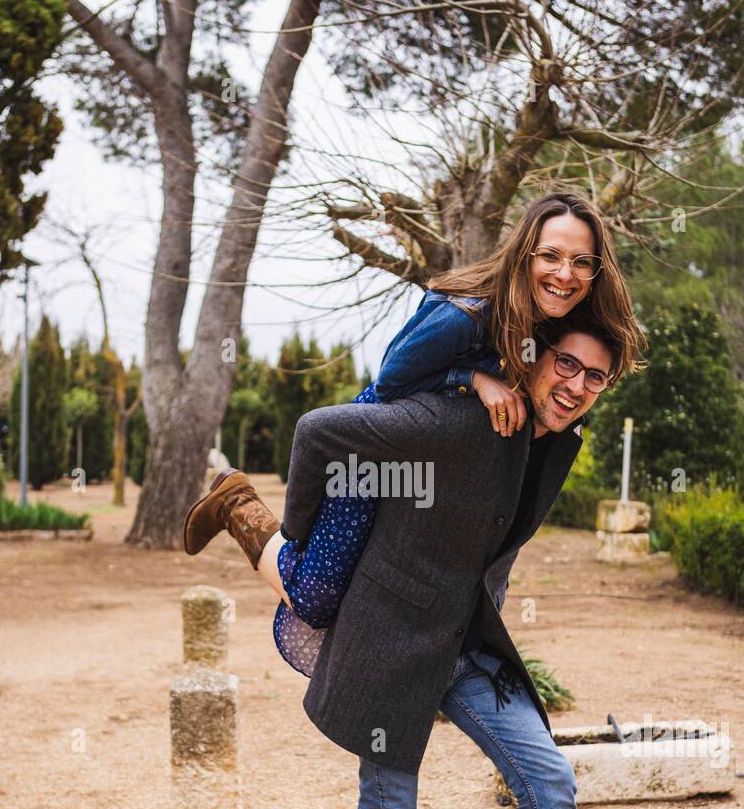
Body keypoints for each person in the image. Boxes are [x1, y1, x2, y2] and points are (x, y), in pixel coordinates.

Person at [184, 298, 670, 809]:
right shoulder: (459, 420)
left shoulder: (551, 441)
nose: (575, 384)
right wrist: (309, 539)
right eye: (564, 362)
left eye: (595, 376)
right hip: (390, 642)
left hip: (465, 644)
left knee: (547, 780)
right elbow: (320, 431)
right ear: (533, 358)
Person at [184, 190, 643, 687]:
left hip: (435, 458)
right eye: (550, 255)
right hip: (376, 446)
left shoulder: (551, 316)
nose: (565, 273)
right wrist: (475, 378)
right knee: (316, 598)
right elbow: (390, 380)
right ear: (525, 252)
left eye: (581, 262)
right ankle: (239, 506)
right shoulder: (467, 314)